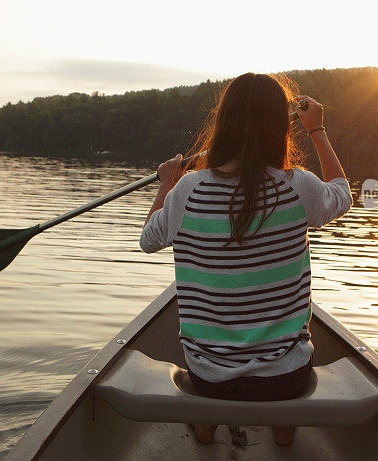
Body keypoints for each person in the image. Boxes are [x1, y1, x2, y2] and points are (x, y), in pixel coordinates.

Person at [139, 72, 352, 446]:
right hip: (286, 377)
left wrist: (167, 183)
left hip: (209, 374)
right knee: (287, 374)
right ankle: (283, 432)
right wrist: (317, 130)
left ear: (225, 122)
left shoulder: (188, 189)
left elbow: (148, 239)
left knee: (200, 357)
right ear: (278, 128)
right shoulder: (297, 186)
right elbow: (342, 193)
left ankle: (205, 424)